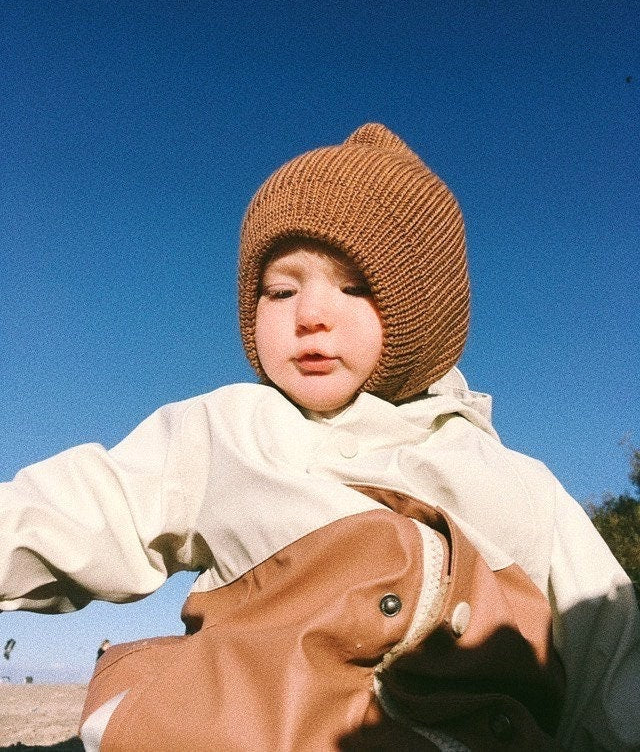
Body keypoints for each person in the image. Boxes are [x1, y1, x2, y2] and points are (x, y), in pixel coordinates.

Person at [1, 123, 638, 751]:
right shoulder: (231, 433)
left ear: (424, 315)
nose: (310, 315)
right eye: (280, 290)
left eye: (355, 287)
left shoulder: (517, 488)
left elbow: (612, 661)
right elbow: (85, 509)